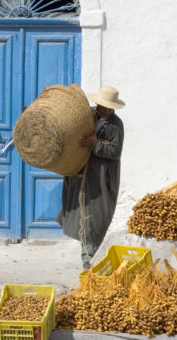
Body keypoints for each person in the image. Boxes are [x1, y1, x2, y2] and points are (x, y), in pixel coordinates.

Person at [55, 86, 125, 270]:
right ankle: (88, 258)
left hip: (100, 178)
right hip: (82, 175)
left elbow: (115, 152)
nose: (105, 109)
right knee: (81, 213)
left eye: (108, 107)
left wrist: (95, 144)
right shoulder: (88, 117)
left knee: (95, 217)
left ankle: (90, 259)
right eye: (102, 106)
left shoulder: (116, 125)